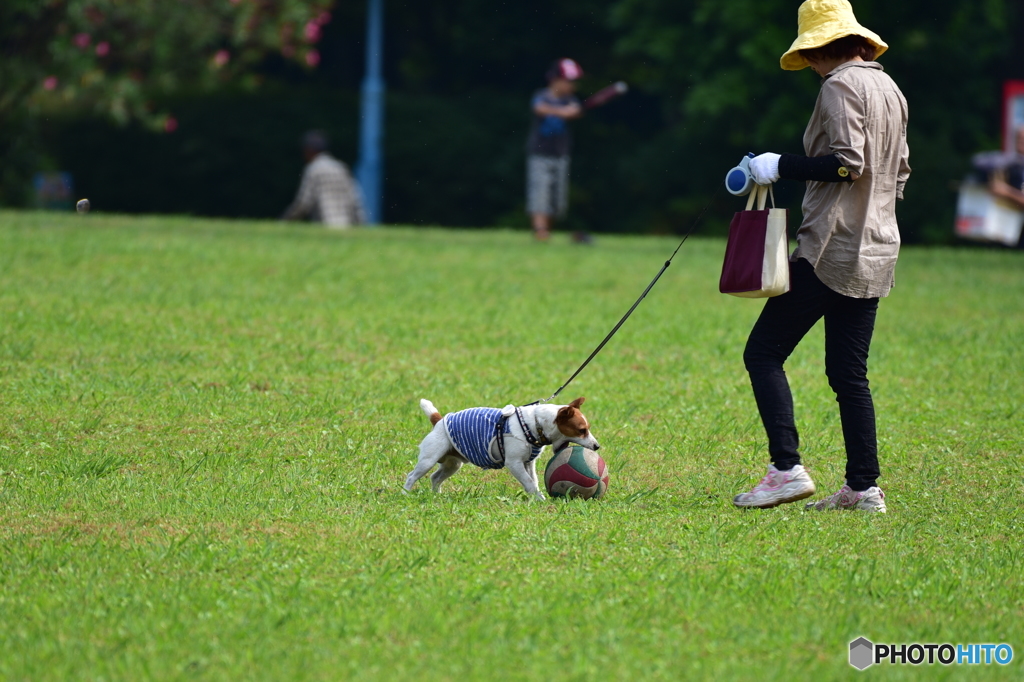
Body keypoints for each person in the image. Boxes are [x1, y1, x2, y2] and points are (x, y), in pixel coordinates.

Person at [731, 0, 910, 513]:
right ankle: (863, 488)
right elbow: (897, 174)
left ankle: (785, 470)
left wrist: (777, 165)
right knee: (849, 374)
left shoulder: (839, 86)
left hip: (830, 247)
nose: (809, 65)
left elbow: (846, 165)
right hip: (877, 248)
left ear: (819, 48)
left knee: (762, 353)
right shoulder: (890, 88)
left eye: (809, 54)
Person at [526, 59, 583, 241]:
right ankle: (540, 232)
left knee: (557, 200)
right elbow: (539, 108)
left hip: (561, 154)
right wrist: (561, 111)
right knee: (540, 192)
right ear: (555, 79)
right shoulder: (542, 96)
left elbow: (575, 112)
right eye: (568, 81)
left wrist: (564, 111)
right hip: (539, 153)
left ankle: (546, 231)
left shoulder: (570, 100)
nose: (572, 85)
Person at [281, 130, 366, 228]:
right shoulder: (341, 168)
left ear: (309, 150)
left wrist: (286, 220)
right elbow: (355, 199)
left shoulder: (314, 169)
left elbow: (304, 203)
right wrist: (361, 224)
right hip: (347, 226)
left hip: (325, 225)